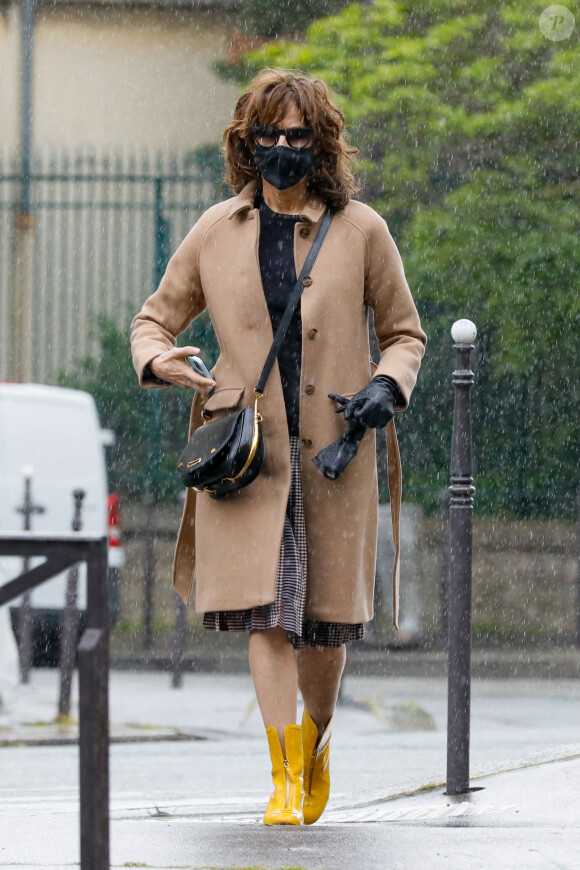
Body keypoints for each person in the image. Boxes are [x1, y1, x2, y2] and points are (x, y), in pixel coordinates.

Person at [131, 68, 426, 826]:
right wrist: (162, 360)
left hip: (333, 453)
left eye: (298, 135)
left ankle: (318, 739)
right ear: (247, 142)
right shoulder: (214, 230)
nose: (284, 148)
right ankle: (283, 774)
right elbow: (152, 321)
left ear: (319, 142)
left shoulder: (362, 230)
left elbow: (404, 335)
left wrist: (386, 389)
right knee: (266, 615)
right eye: (270, 136)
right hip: (248, 458)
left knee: (323, 626)